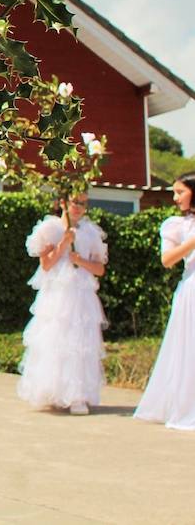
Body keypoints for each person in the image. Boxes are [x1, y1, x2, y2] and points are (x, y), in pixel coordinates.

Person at [17, 192, 108, 414]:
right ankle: (52, 389)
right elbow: (46, 265)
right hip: (58, 292)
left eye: (83, 203)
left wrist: (81, 261)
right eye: (74, 202)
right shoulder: (51, 229)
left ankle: (78, 394)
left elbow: (99, 268)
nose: (78, 207)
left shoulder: (90, 232)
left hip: (81, 293)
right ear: (63, 203)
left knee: (80, 341)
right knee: (56, 337)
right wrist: (64, 244)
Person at [135, 173, 195, 429]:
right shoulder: (177, 225)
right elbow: (167, 259)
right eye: (175, 192)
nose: (175, 197)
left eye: (180, 192)